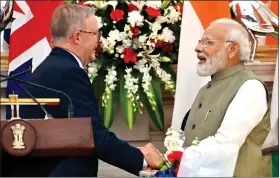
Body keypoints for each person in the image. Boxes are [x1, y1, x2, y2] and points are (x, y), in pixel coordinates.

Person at [2, 4, 162, 177]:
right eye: (95, 34)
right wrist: (142, 158)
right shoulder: (68, 72)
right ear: (77, 37)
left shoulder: (51, 67)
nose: (98, 41)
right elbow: (92, 134)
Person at [178, 18, 272, 176]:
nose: (197, 48)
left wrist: (175, 158)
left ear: (232, 49)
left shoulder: (250, 86)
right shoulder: (205, 89)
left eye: (208, 42)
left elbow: (226, 144)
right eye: (200, 41)